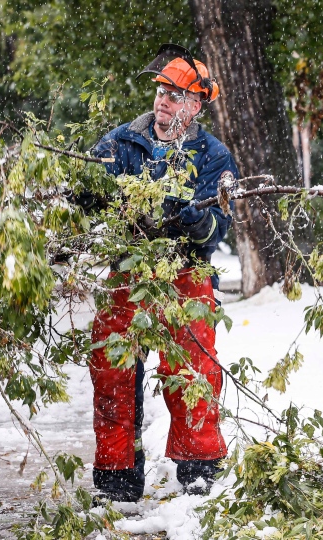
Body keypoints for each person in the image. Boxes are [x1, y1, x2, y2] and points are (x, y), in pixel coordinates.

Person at [88, 44, 238, 503]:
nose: (163, 102)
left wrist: (198, 221)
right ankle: (117, 477)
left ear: (195, 106)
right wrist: (86, 195)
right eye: (160, 92)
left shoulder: (214, 156)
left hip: (185, 274)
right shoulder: (121, 142)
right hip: (128, 272)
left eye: (174, 96)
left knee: (192, 372)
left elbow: (218, 228)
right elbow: (88, 190)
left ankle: (198, 472)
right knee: (111, 369)